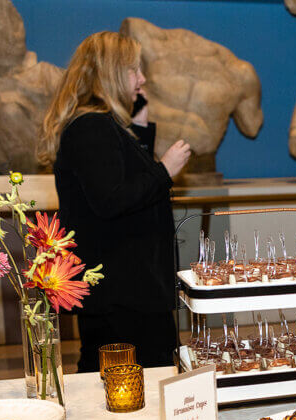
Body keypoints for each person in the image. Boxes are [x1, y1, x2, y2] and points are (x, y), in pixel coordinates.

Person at [37, 32, 191, 372]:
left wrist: (140, 128)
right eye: (134, 70)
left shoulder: (100, 125)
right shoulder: (91, 127)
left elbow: (127, 185)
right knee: (118, 375)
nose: (143, 79)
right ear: (112, 74)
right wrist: (165, 169)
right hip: (120, 292)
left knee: (136, 373)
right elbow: (112, 200)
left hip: (126, 290)